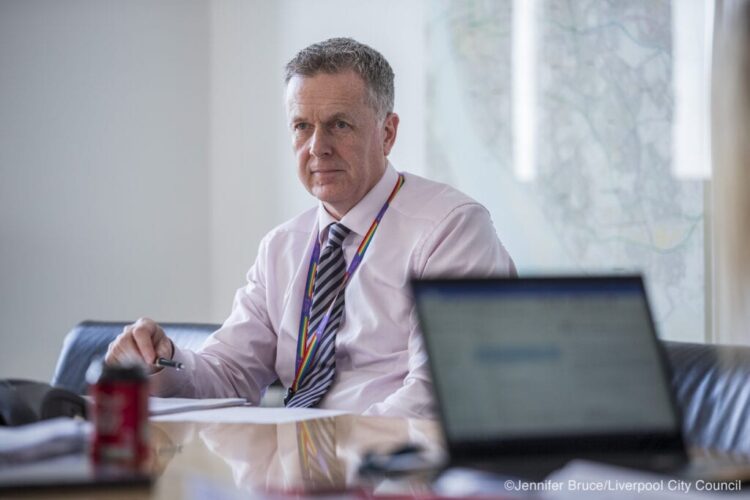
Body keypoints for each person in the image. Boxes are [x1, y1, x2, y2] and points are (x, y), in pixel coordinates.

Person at [105, 37, 515, 418]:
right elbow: (229, 373)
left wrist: (334, 449)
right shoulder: (281, 246)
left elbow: (441, 392)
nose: (317, 147)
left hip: (390, 461)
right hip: (295, 459)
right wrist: (161, 361)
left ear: (387, 133)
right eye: (302, 126)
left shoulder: (451, 229)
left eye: (339, 125)